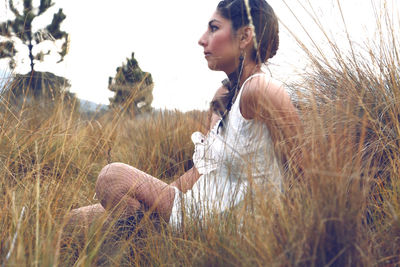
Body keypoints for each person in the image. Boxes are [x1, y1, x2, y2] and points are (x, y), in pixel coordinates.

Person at [69, 0, 302, 230]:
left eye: (214, 28)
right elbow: (200, 171)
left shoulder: (261, 89)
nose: (202, 40)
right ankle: (146, 234)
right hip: (191, 211)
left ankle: (141, 238)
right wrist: (157, 197)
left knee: (111, 176)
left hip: (229, 228)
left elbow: (303, 172)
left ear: (244, 37)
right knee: (72, 221)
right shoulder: (223, 95)